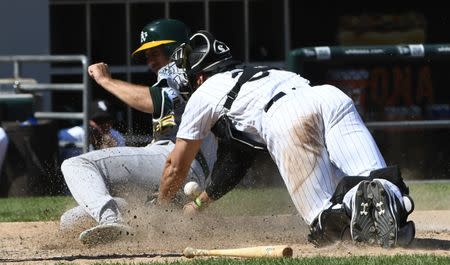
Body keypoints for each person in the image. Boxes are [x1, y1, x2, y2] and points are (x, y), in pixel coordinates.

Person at [157, 30, 415, 248]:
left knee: (324, 224)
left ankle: (353, 207)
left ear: (200, 77)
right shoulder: (258, 74)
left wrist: (159, 209)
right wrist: (199, 204)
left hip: (286, 116)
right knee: (374, 177)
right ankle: (390, 200)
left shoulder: (204, 93)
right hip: (329, 97)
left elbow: (175, 166)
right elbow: (235, 162)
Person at [59, 19, 217, 245]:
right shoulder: (195, 75)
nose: (150, 61)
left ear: (173, 49)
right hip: (185, 170)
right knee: (70, 220)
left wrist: (106, 81)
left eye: (155, 53)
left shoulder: (181, 69)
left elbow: (153, 100)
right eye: (147, 55)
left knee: (77, 165)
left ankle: (111, 219)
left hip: (178, 159)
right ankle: (127, 220)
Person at [58, 99, 126, 160]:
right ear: (88, 121)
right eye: (98, 120)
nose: (103, 125)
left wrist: (113, 152)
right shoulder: (70, 135)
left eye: (107, 120)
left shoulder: (117, 137)